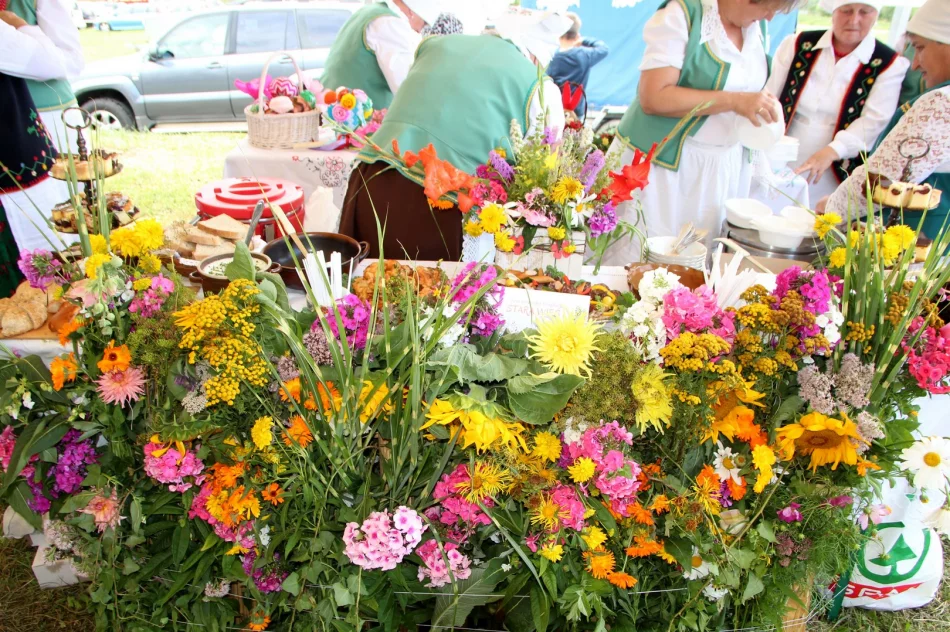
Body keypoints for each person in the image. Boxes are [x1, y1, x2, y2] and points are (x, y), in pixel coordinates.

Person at [338, 16, 567, 261]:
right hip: (437, 209)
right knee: (433, 295)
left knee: (370, 290)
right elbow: (543, 170)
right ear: (535, 58)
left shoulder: (437, 45)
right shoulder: (540, 86)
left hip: (373, 180)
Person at [604, 0, 796, 266]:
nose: (770, 17)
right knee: (646, 261)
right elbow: (653, 97)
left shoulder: (754, 24)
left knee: (696, 269)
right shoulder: (682, 15)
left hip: (722, 171)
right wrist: (734, 101)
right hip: (665, 172)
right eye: (768, 7)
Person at [821, 0, 950, 241]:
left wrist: (831, 213)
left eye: (920, 48)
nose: (916, 63)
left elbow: (882, 180)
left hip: (916, 245)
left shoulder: (942, 101)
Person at [765, 0, 908, 200]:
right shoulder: (798, 44)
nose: (854, 20)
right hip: (782, 149)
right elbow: (770, 95)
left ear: (876, 16)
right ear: (833, 11)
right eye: (846, 11)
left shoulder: (888, 64)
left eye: (865, 12)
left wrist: (832, 151)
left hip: (836, 164)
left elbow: (873, 121)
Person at [0, 0, 84, 252]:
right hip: (20, 132)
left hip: (52, 120)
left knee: (68, 222)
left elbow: (70, 61)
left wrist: (20, 26)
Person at [320, 0, 444, 110]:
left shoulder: (370, 11)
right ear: (414, 12)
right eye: (424, 24)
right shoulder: (390, 23)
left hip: (329, 106)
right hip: (352, 119)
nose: (420, 31)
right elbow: (406, 89)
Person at [547, 12, 609, 119]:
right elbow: (604, 49)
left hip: (557, 111)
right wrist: (583, 40)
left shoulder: (552, 57)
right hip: (577, 113)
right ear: (576, 34)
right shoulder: (583, 55)